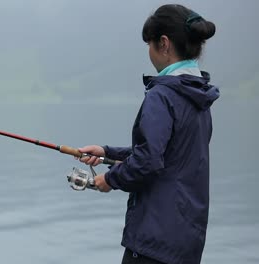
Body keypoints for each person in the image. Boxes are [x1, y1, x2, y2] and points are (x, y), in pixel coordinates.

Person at [77, 4, 219, 264]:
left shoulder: (162, 95)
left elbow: (149, 161)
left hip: (152, 244)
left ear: (163, 44)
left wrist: (110, 179)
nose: (148, 52)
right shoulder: (199, 96)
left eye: (149, 43)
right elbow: (167, 155)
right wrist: (108, 153)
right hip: (187, 244)